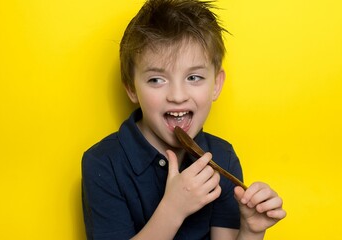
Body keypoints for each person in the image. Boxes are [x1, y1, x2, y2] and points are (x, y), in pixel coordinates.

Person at [81, 0, 286, 239]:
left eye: (194, 77)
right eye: (157, 80)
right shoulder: (103, 163)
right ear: (131, 88)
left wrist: (251, 231)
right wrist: (173, 209)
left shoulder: (222, 158)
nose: (177, 96)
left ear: (216, 85)